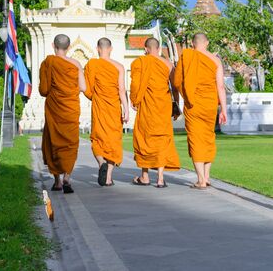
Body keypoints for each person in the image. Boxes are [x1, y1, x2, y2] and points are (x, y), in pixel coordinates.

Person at [173, 33, 227, 189]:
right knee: (208, 138)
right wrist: (223, 109)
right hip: (210, 104)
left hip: (193, 104)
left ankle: (201, 179)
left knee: (196, 139)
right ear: (207, 43)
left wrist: (186, 93)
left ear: (192, 43)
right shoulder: (215, 61)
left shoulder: (187, 56)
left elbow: (177, 81)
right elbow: (221, 87)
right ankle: (207, 176)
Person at [130, 38, 180, 188]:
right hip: (163, 106)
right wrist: (176, 106)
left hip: (147, 106)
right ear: (158, 48)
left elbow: (135, 84)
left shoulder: (141, 62)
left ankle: (145, 176)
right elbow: (175, 87)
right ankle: (160, 178)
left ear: (146, 49)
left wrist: (134, 100)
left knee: (144, 138)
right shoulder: (167, 64)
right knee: (162, 139)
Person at [40, 34, 86, 194]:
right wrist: (69, 90)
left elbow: (44, 90)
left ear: (53, 45)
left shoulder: (48, 63)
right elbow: (83, 87)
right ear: (69, 47)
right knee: (70, 144)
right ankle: (67, 177)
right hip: (70, 109)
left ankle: (57, 181)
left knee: (53, 142)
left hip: (54, 109)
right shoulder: (76, 64)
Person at [84, 38, 129, 186]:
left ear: (97, 48)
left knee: (97, 139)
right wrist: (126, 109)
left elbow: (87, 89)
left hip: (99, 107)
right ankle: (108, 177)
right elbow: (122, 91)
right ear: (111, 49)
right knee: (113, 141)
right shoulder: (119, 67)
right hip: (114, 108)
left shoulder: (92, 64)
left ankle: (101, 162)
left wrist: (96, 97)